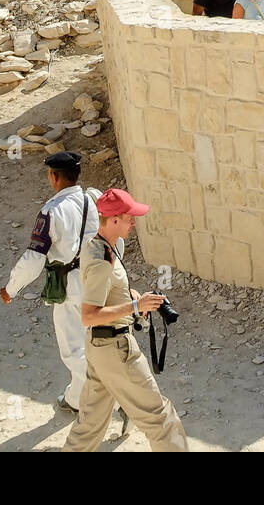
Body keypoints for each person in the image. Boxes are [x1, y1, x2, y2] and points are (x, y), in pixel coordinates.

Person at [63, 188, 189, 452]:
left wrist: (134, 300)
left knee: (90, 424)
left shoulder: (100, 246)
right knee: (161, 418)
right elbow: (88, 316)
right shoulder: (102, 260)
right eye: (129, 217)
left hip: (100, 349)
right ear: (114, 219)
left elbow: (107, 291)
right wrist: (134, 305)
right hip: (115, 349)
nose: (134, 222)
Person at [0, 151, 101, 413]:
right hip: (100, 277)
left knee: (73, 349)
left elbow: (34, 258)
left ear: (54, 176)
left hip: (72, 285)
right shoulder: (94, 198)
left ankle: (112, 391)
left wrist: (11, 288)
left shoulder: (51, 211)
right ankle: (76, 400)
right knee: (98, 341)